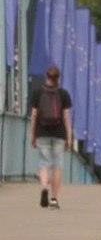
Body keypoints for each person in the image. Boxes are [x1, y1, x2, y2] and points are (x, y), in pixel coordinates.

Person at [28, 65, 73, 210]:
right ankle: (54, 200)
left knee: (44, 163)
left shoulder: (37, 93)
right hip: (59, 134)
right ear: (58, 78)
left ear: (46, 77)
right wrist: (69, 137)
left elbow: (34, 116)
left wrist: (33, 135)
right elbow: (66, 118)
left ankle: (44, 188)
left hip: (42, 132)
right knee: (57, 166)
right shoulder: (64, 94)